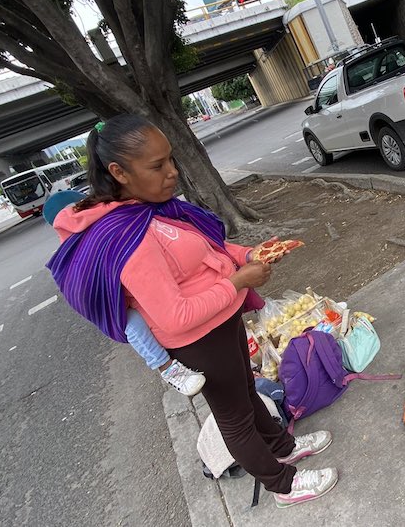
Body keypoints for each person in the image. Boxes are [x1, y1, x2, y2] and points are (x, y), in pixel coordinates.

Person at [47, 115, 338, 507]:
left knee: (247, 393)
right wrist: (238, 281)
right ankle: (283, 484)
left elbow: (207, 252)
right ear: (119, 172)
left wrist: (248, 255)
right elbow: (174, 315)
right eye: (157, 166)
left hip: (224, 321)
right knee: (233, 418)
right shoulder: (126, 237)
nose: (171, 173)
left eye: (170, 160)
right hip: (198, 339)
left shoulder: (153, 209)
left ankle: (283, 445)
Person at [44, 189, 206, 397]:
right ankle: (166, 367)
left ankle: (166, 366)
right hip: (119, 296)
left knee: (131, 320)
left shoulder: (73, 242)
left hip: (131, 288)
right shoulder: (105, 214)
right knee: (130, 320)